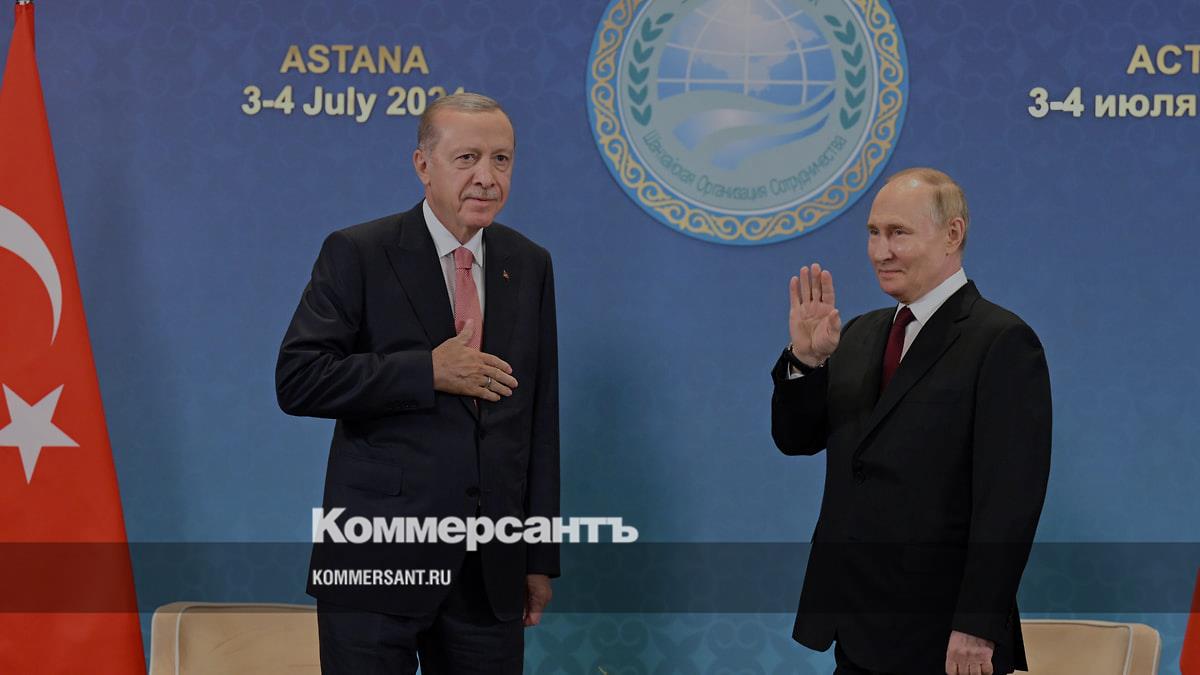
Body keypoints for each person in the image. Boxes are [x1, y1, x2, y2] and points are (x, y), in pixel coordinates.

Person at [276, 92, 558, 674]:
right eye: (467, 158)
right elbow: (299, 378)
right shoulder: (358, 252)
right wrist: (426, 371)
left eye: (501, 159)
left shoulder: (529, 263)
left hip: (489, 575)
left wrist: (536, 556)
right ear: (423, 165)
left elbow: (539, 419)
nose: (487, 177)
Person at [770, 168, 1051, 674]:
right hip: (854, 626)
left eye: (898, 233)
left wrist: (978, 625)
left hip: (942, 637)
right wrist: (805, 363)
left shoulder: (1001, 341)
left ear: (952, 234)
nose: (881, 251)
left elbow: (1009, 502)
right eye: (873, 233)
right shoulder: (856, 335)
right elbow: (796, 440)